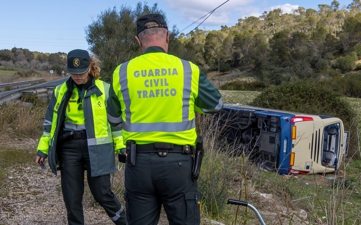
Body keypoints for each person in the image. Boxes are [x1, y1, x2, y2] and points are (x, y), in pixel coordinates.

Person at [107, 14, 223, 225]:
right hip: (179, 165)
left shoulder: (121, 72)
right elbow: (215, 105)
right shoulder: (188, 69)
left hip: (138, 164)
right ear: (167, 36)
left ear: (138, 40)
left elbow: (113, 118)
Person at [35, 49, 127, 225]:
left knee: (103, 194)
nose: (77, 76)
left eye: (82, 72)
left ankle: (126, 222)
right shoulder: (60, 91)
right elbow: (49, 124)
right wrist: (43, 148)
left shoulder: (105, 90)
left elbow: (116, 124)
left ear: (90, 68)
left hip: (98, 149)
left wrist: (121, 146)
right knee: (72, 198)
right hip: (69, 147)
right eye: (73, 73)